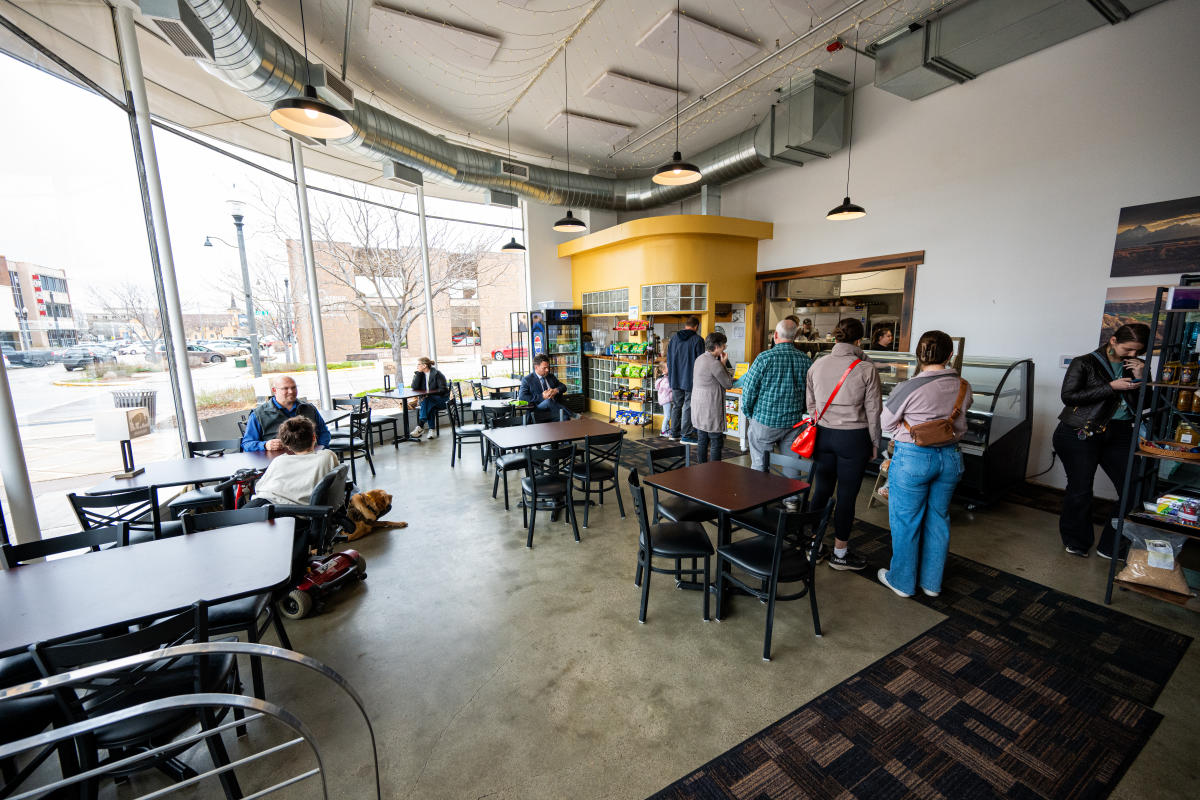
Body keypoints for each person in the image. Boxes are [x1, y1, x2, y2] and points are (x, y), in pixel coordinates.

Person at [877, 330, 972, 598]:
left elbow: (886, 423)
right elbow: (961, 423)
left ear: (918, 355)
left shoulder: (908, 386)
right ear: (950, 355)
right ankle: (931, 583)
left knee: (906, 521)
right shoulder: (963, 386)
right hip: (951, 458)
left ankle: (903, 582)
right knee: (939, 519)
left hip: (913, 458)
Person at [1054, 323, 1148, 559]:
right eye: (1128, 349)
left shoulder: (1136, 366)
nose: (1133, 356)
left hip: (1121, 432)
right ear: (1113, 340)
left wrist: (1142, 377)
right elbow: (1069, 397)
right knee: (1081, 489)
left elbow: (1144, 405)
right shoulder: (1084, 362)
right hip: (1080, 432)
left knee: (1135, 487)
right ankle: (1076, 541)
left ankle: (1112, 545)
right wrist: (1110, 387)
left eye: (1139, 351)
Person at [806, 317, 882, 571]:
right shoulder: (865, 368)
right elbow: (874, 411)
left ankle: (813, 545)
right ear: (859, 341)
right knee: (847, 496)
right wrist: (875, 442)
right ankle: (840, 554)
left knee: (821, 490)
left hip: (823, 436)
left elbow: (811, 404)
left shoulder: (817, 364)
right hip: (854, 438)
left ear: (835, 338)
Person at [739, 318, 812, 507]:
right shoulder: (805, 360)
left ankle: (759, 498)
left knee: (759, 462)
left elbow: (749, 390)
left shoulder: (764, 358)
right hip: (794, 422)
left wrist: (749, 414)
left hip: (764, 420)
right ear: (795, 336)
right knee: (791, 462)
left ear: (775, 336)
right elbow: (810, 392)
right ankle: (792, 501)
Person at [251, 417, 341, 506]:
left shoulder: (279, 461)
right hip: (293, 511)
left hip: (267, 505)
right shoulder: (327, 456)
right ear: (314, 437)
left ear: (287, 445)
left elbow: (259, 488)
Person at [242, 375, 331, 452]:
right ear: (274, 390)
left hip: (310, 456)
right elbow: (247, 444)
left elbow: (324, 433)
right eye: (285, 388)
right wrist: (265, 445)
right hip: (277, 462)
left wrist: (320, 449)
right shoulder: (258, 414)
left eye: (293, 387)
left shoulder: (309, 408)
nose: (291, 391)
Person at [690, 332, 734, 463]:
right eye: (723, 345)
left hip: (698, 406)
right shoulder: (715, 364)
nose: (725, 347)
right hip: (711, 407)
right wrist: (723, 363)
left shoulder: (700, 359)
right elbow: (728, 384)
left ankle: (701, 467)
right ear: (716, 346)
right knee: (716, 441)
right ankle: (715, 471)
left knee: (702, 439)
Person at [667, 316, 705, 443]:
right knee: (688, 405)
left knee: (677, 405)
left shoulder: (673, 339)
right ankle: (686, 435)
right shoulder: (698, 340)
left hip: (675, 377)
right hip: (690, 378)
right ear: (696, 327)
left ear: (685, 326)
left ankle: (674, 433)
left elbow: (669, 359)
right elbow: (701, 362)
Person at [518, 353, 578, 420]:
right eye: (544, 368)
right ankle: (573, 415)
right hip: (537, 411)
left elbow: (563, 387)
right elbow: (522, 397)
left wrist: (556, 390)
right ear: (536, 367)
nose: (547, 370)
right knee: (548, 401)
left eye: (548, 367)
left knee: (565, 417)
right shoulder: (527, 380)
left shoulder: (550, 376)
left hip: (554, 410)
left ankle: (570, 417)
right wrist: (542, 396)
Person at [409, 357, 450, 440]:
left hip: (441, 400)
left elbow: (443, 389)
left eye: (418, 364)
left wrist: (429, 394)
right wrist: (418, 374)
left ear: (424, 365)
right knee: (430, 406)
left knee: (428, 401)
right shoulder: (420, 375)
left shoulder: (437, 374)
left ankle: (420, 426)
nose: (417, 366)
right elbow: (414, 387)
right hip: (428, 402)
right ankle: (431, 430)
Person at [654, 363, 673, 436]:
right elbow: (668, 388)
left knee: (667, 415)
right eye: (667, 367)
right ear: (664, 370)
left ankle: (666, 429)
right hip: (666, 400)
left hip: (664, 399)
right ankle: (663, 431)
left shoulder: (663, 378)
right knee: (667, 416)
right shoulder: (665, 379)